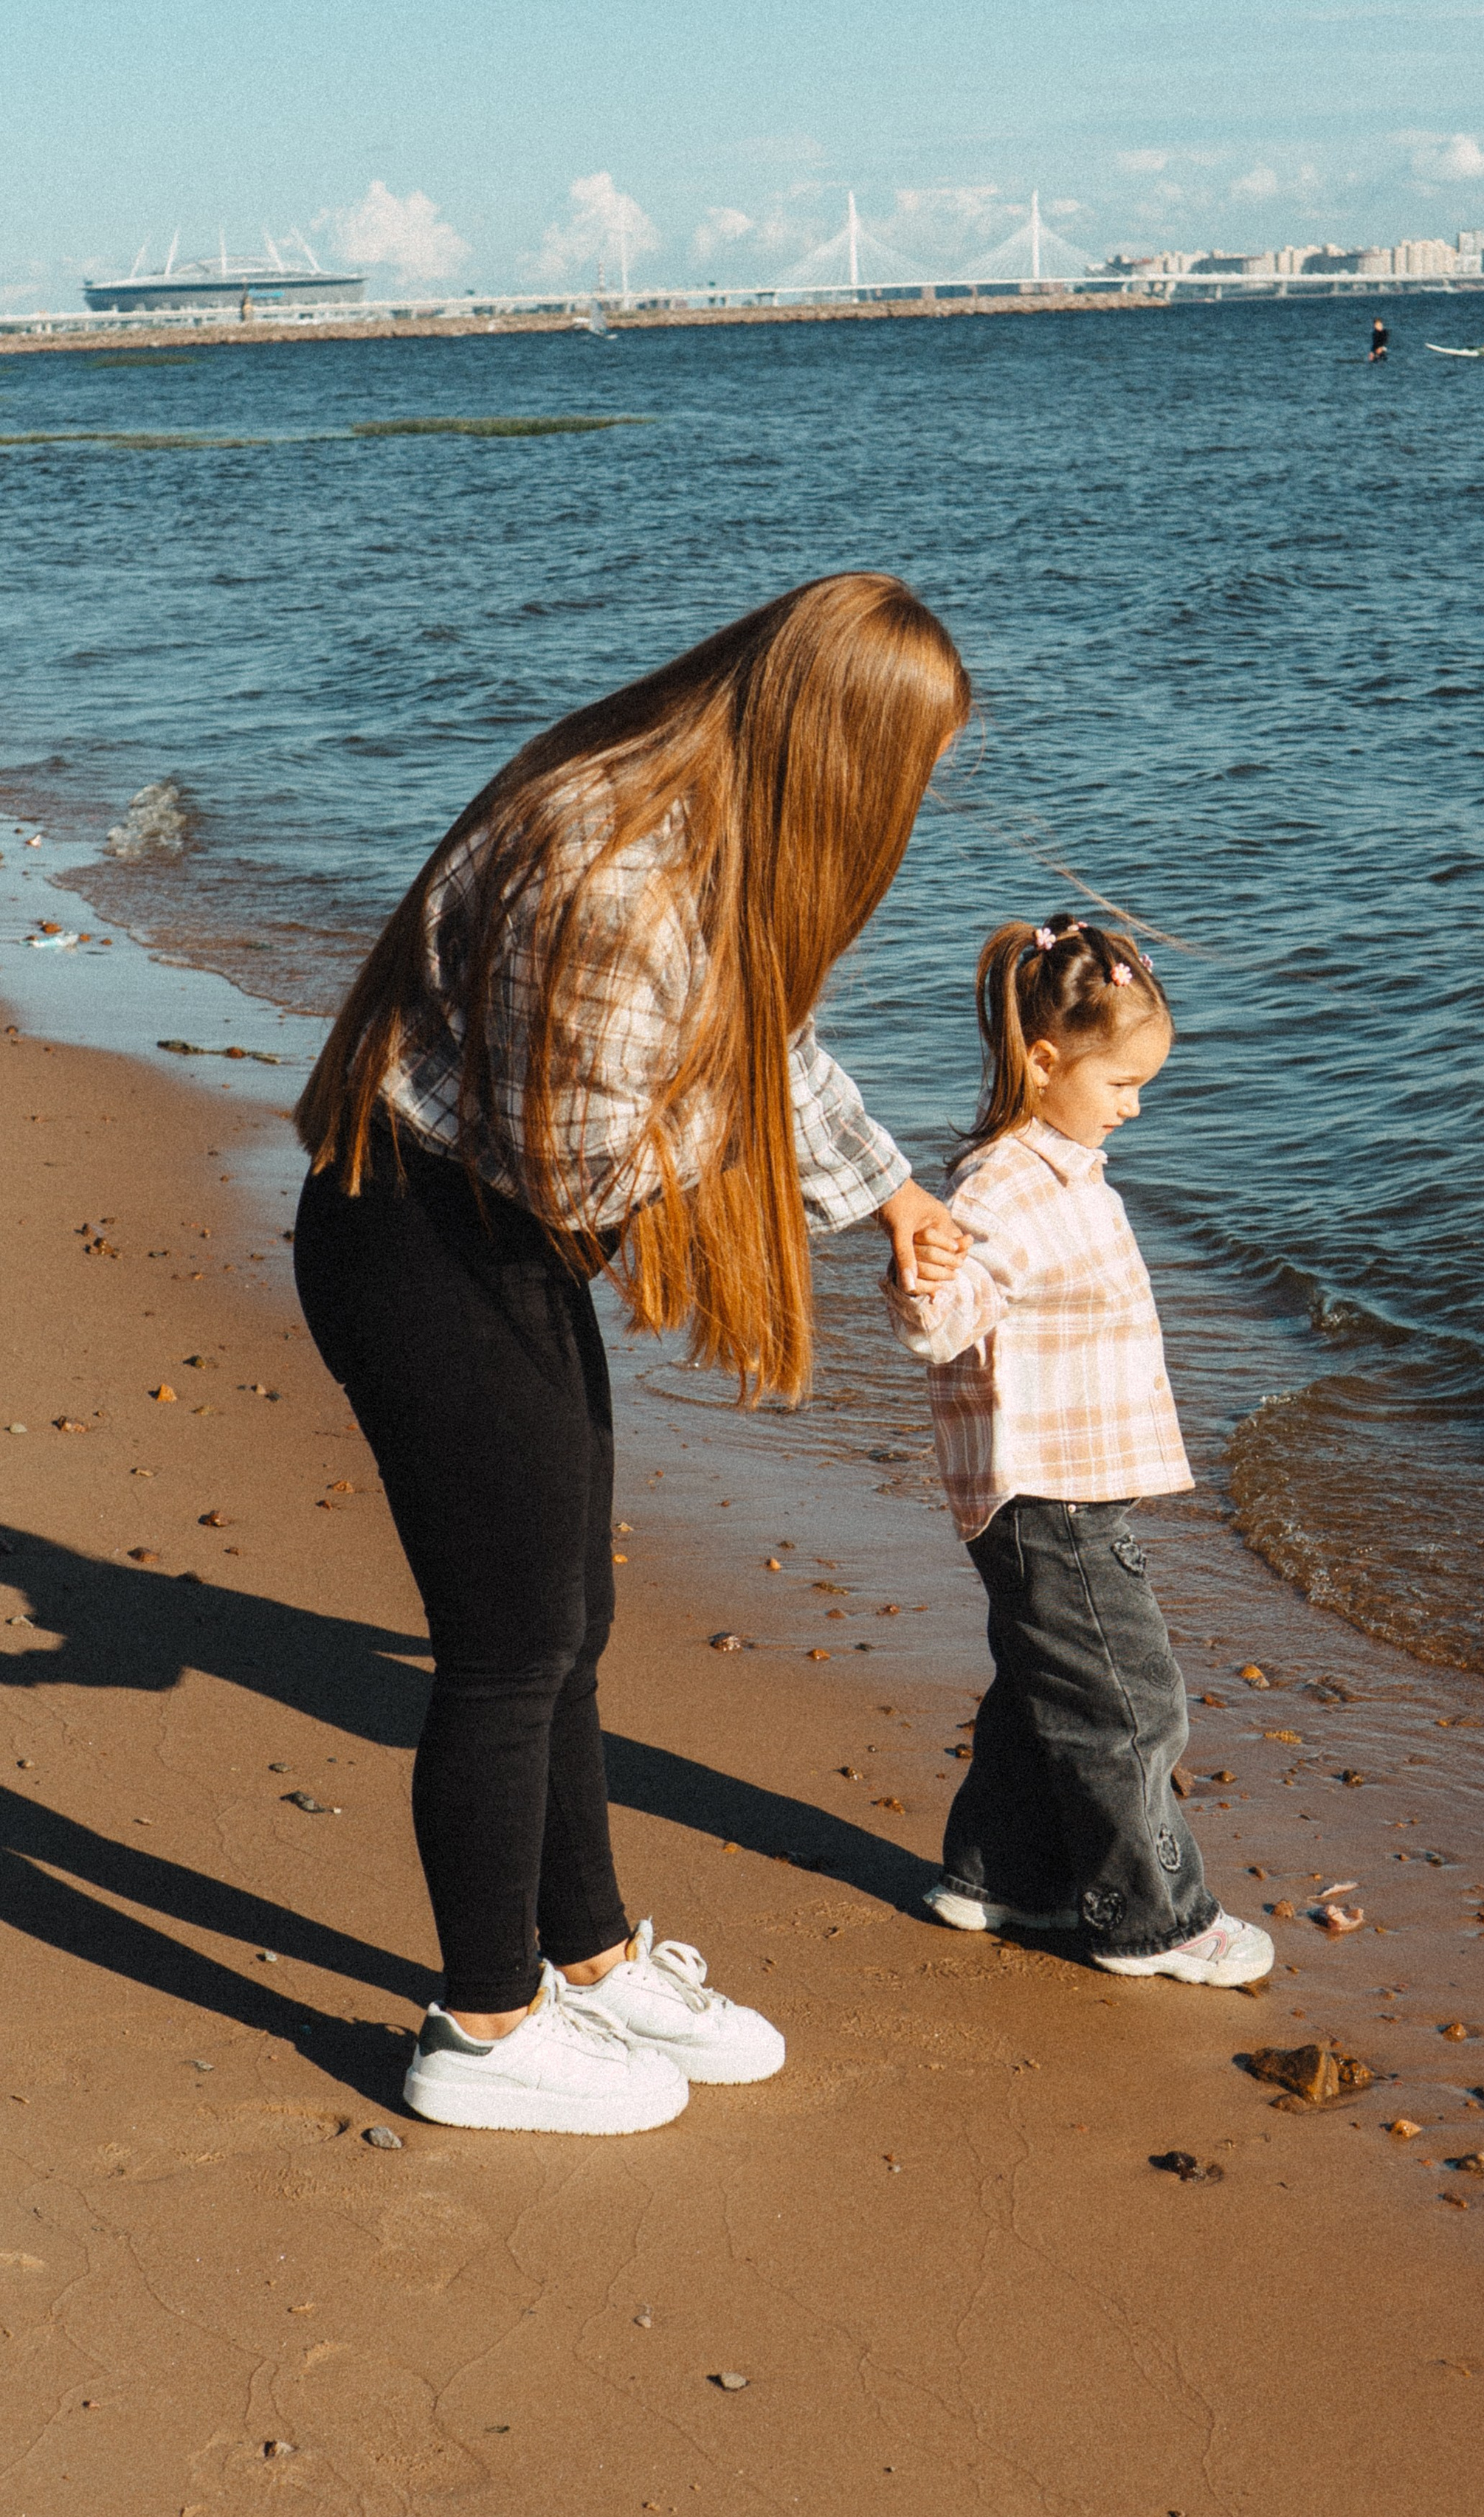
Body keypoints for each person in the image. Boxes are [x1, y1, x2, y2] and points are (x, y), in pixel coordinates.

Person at [292, 573, 974, 2133]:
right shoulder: (611, 878)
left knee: (567, 1618)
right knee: (507, 1646)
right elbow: (586, 1174)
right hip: (425, 1243)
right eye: (913, 765)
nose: (918, 801)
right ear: (840, 748)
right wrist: (746, 1146)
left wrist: (887, 1195)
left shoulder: (706, 830)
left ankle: (586, 1963)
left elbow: (760, 1033)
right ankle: (478, 2028)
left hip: (486, 1240)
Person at [884, 915, 1275, 1988]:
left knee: (1042, 1687)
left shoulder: (1061, 1169)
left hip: (1058, 1489)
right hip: (1045, 1496)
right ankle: (1155, 1919)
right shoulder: (1006, 1186)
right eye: (1120, 1084)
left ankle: (997, 1876)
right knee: (1130, 1704)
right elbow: (940, 1321)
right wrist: (922, 1276)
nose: (1136, 1105)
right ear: (1043, 1062)